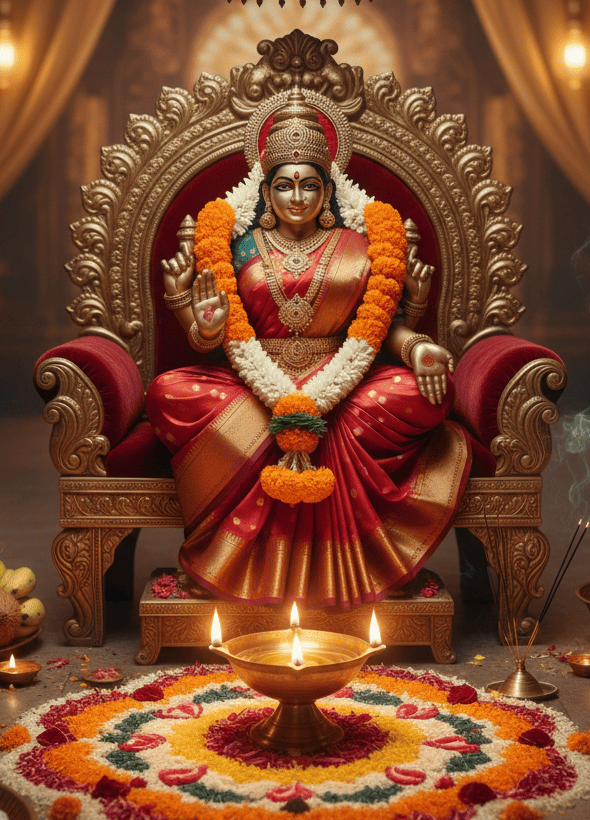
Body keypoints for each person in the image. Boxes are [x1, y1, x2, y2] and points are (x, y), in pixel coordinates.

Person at [145, 86, 471, 608]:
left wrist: (416, 349)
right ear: (266, 194)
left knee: (423, 392)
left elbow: (381, 328)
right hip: (254, 386)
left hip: (345, 385)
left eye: (309, 186)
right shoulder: (238, 247)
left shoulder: (361, 246)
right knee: (168, 392)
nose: (297, 197)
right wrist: (194, 314)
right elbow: (213, 340)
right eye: (285, 187)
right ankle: (222, 555)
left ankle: (372, 559)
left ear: (327, 193)